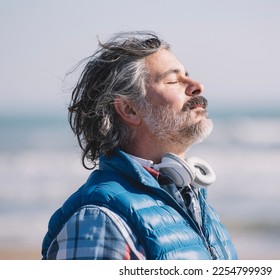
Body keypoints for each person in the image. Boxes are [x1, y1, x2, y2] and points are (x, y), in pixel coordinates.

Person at [41, 31, 238, 260]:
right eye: (173, 80)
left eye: (187, 75)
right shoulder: (100, 220)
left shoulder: (197, 206)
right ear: (129, 110)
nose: (197, 86)